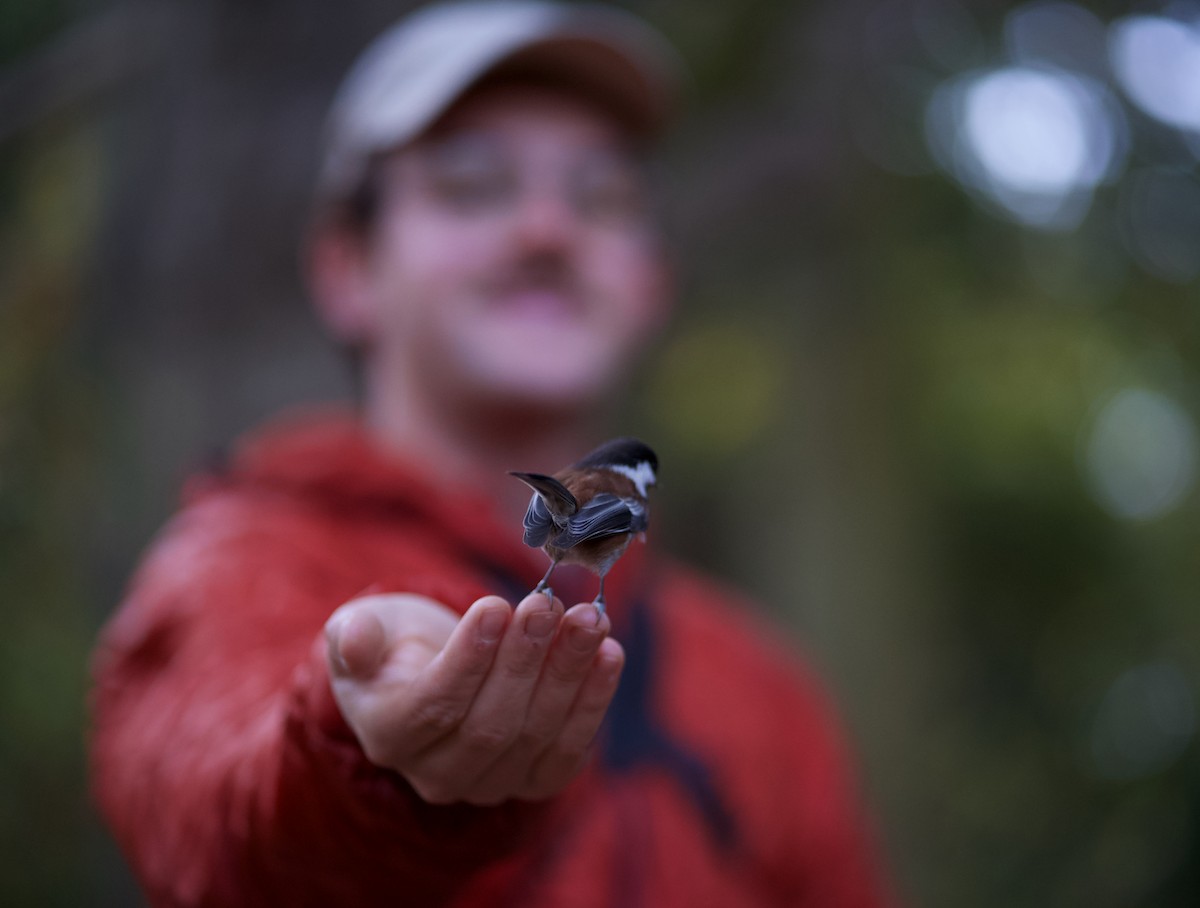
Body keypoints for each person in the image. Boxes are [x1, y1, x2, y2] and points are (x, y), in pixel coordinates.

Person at [89, 2, 897, 905]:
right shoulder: (240, 565)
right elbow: (212, 803)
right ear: (348, 268)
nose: (547, 230)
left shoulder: (763, 687)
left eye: (602, 197)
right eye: (473, 183)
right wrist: (358, 751)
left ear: (652, 283)